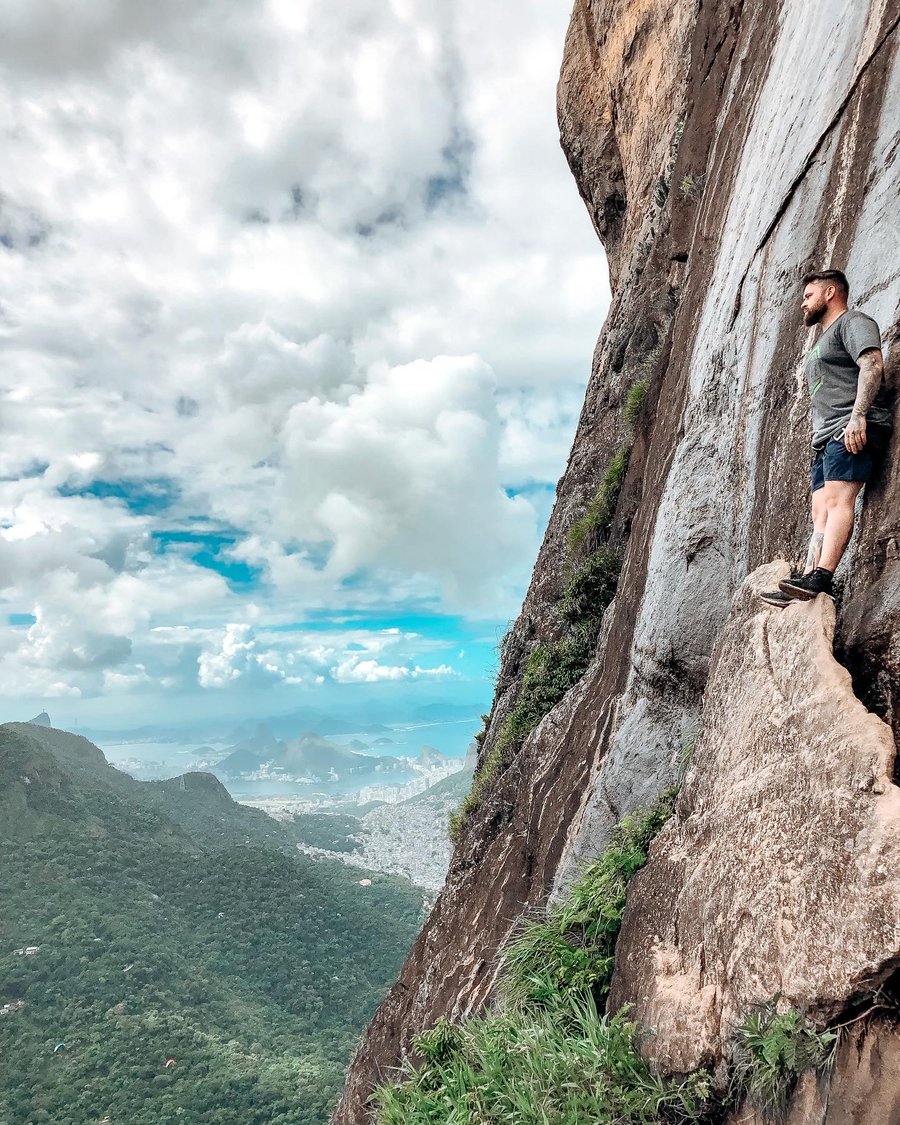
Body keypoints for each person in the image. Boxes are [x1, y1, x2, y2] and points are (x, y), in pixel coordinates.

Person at [760, 269, 892, 607]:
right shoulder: (821, 340)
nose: (803, 304)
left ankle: (823, 575)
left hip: (849, 427)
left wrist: (858, 416)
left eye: (808, 296)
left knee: (837, 502)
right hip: (825, 437)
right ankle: (807, 578)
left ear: (830, 292)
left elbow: (873, 364)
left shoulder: (853, 322)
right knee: (821, 510)